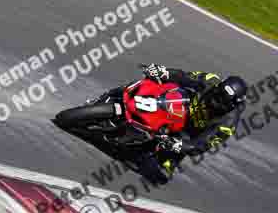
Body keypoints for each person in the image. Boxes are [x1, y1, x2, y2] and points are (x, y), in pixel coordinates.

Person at [93, 64, 247, 176]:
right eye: (218, 94)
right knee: (152, 83)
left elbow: (200, 145)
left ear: (232, 105)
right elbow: (185, 76)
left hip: (187, 130)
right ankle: (112, 96)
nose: (216, 101)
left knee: (162, 171)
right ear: (218, 86)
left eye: (223, 101)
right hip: (182, 103)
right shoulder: (211, 80)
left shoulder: (227, 124)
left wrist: (181, 146)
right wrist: (164, 72)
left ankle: (138, 149)